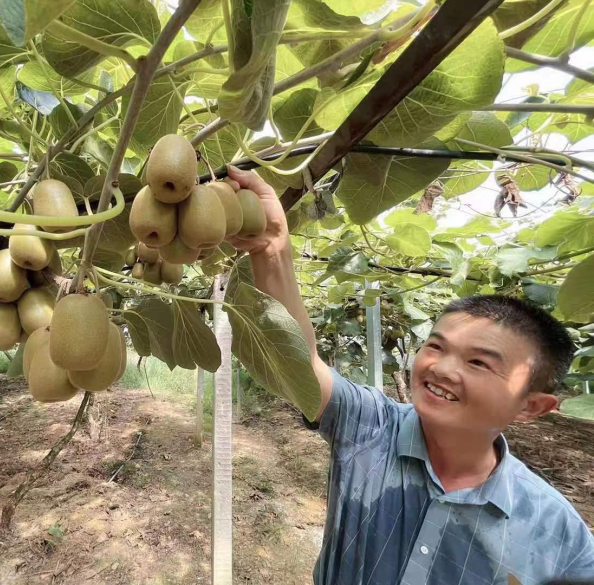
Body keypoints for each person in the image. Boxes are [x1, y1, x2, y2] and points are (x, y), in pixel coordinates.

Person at [224, 165, 594, 585]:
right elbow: (303, 366)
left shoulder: (560, 538)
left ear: (531, 406)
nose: (441, 367)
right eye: (435, 346)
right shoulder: (371, 425)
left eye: (478, 362)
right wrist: (271, 248)